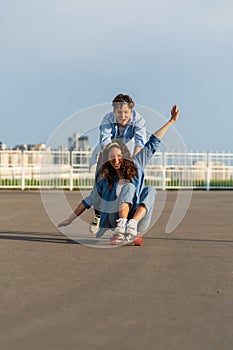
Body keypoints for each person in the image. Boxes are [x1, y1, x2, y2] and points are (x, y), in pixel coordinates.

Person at [58, 105, 180, 244]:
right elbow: (87, 201)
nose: (116, 160)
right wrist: (69, 219)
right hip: (114, 219)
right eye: (111, 157)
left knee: (150, 190)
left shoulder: (137, 163)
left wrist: (171, 121)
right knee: (129, 188)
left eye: (119, 155)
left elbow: (153, 142)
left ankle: (133, 227)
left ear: (125, 155)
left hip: (137, 219)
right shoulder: (105, 180)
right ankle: (121, 229)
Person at [89, 93, 147, 234]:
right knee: (101, 179)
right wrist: (112, 160)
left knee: (136, 175)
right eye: (119, 112)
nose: (123, 116)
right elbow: (105, 142)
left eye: (126, 112)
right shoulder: (107, 119)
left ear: (131, 111)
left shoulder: (139, 121)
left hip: (129, 152)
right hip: (108, 151)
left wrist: (131, 162)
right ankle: (98, 214)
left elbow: (140, 143)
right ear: (114, 111)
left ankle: (131, 214)